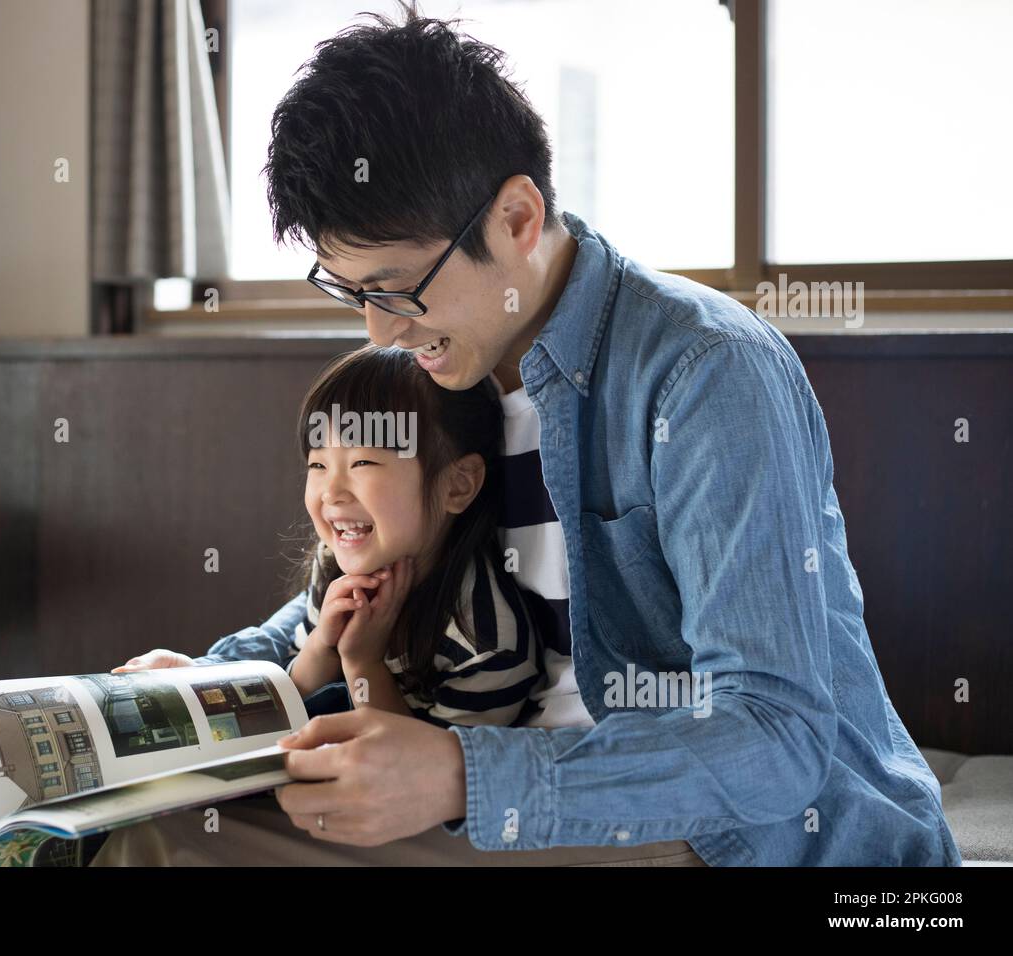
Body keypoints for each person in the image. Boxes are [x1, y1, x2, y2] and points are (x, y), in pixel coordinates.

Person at [92, 3, 960, 866]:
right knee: (140, 815)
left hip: (718, 833)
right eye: (350, 291)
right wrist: (212, 681)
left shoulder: (705, 372)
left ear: (516, 217)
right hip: (496, 798)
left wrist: (461, 779)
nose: (377, 333)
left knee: (171, 844)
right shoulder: (445, 375)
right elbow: (361, 584)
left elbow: (774, 736)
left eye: (395, 289)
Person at [115, 343, 549, 731]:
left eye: (363, 464)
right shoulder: (336, 564)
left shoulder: (487, 644)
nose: (332, 493)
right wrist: (323, 646)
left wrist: (362, 661)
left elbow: (418, 770)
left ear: (457, 485)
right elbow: (297, 682)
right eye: (318, 466)